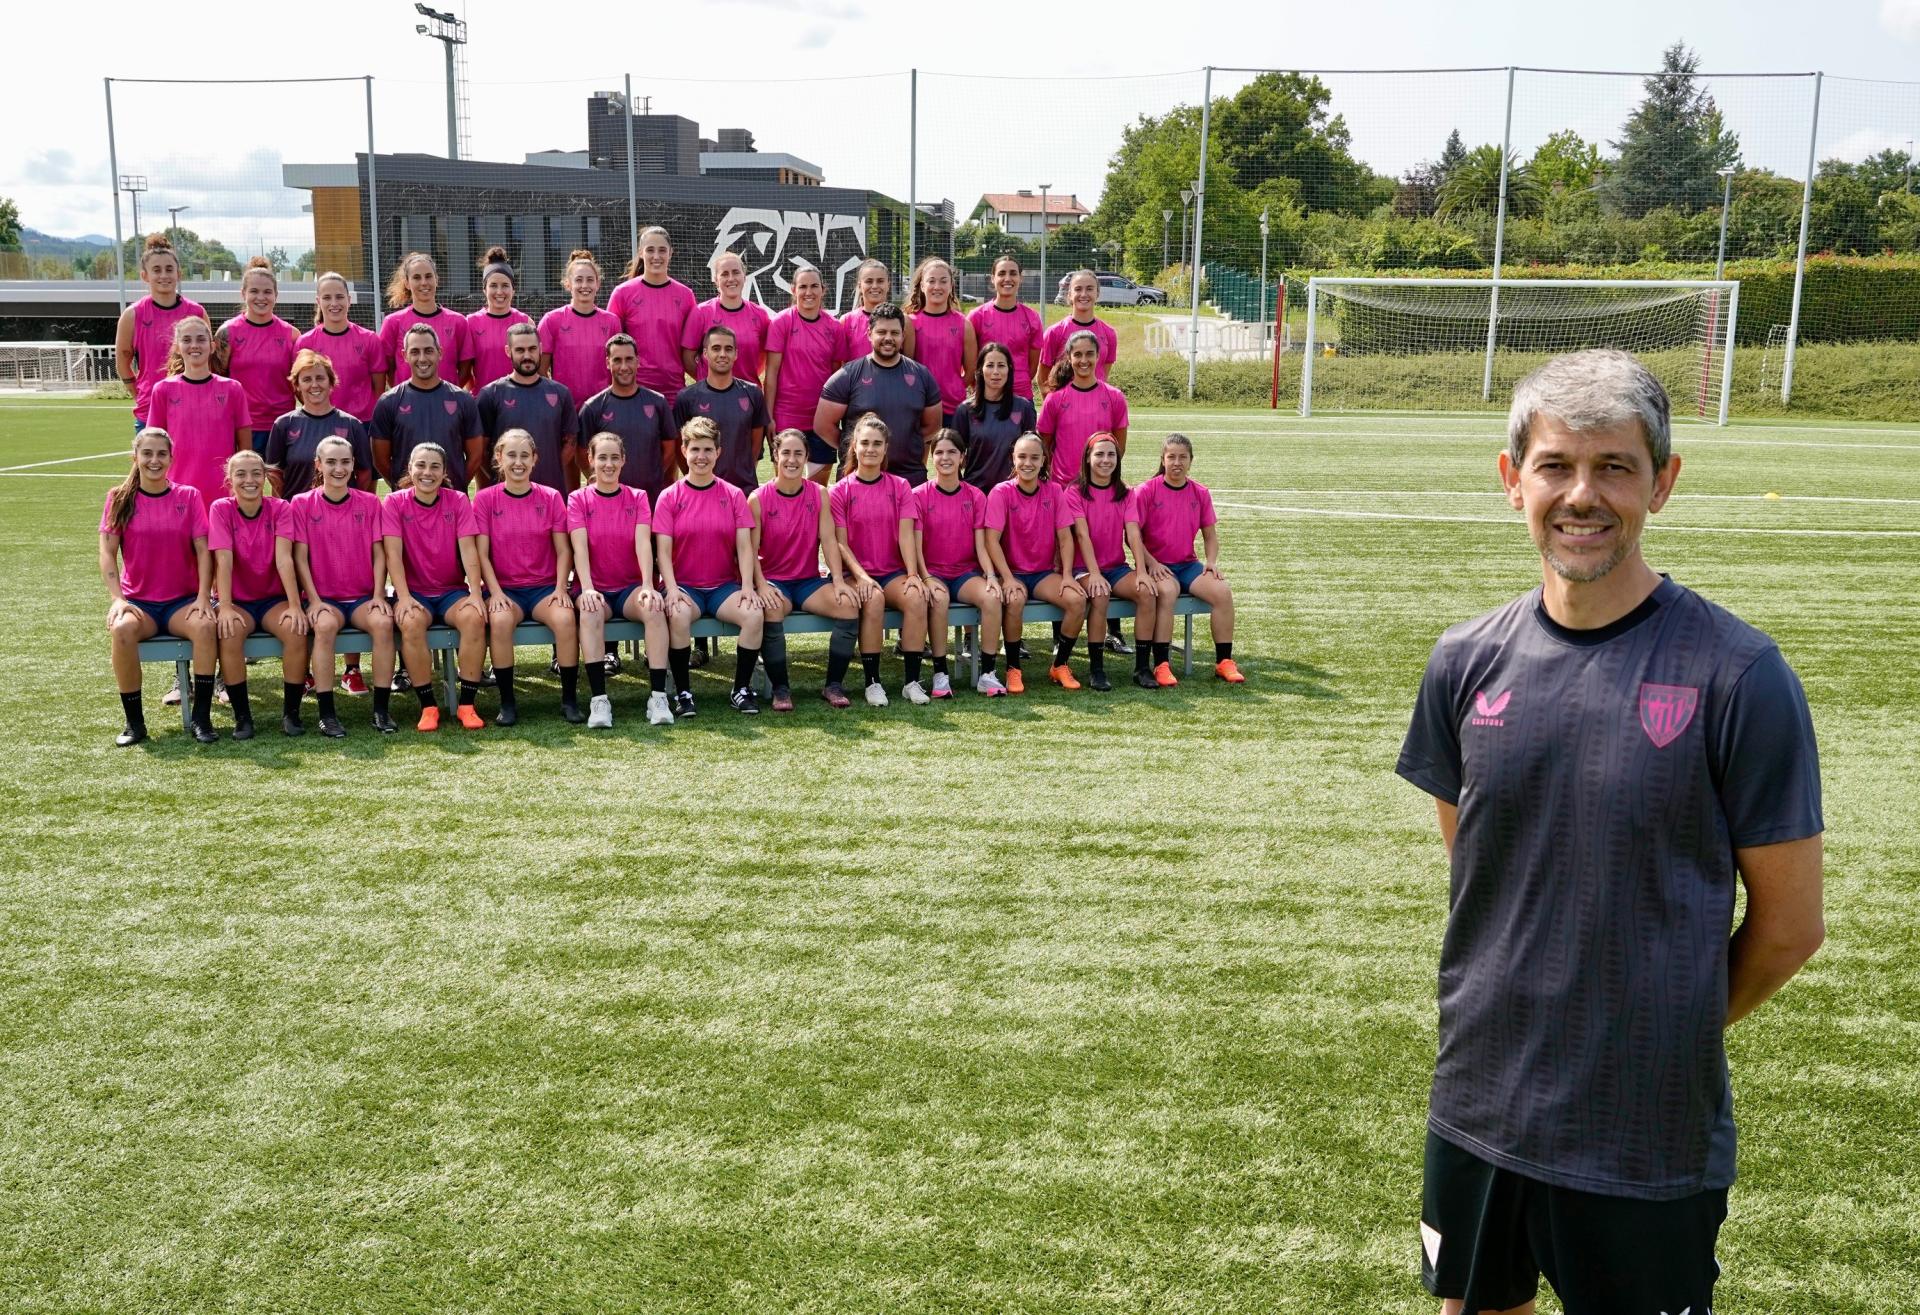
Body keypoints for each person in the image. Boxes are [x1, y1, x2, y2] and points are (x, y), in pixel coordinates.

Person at [1395, 349, 1825, 1315]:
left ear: (1662, 484)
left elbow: (1792, 926)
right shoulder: (1464, 662)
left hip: (1643, 1129)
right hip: (1478, 1103)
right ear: (1513, 481)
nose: (1581, 495)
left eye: (1615, 467)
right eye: (1555, 465)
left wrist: (1658, 1024)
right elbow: (1479, 869)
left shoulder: (1741, 676)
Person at [98, 428, 218, 745]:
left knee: (206, 627)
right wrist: (118, 600)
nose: (154, 460)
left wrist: (204, 597)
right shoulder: (119, 498)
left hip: (183, 602)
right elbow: (107, 554)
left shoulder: (188, 496)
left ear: (171, 458)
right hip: (141, 604)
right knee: (121, 629)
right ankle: (134, 725)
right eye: (147, 453)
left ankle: (202, 720)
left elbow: (205, 551)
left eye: (161, 454)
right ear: (135, 458)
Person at [281, 436, 398, 738]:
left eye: (345, 462)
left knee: (384, 623)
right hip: (324, 599)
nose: (338, 468)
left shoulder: (371, 502)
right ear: (318, 465)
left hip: (361, 598)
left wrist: (377, 594)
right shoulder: (302, 503)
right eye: (331, 462)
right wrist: (315, 600)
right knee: (324, 627)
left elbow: (379, 553)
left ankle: (381, 710)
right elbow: (300, 558)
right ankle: (327, 713)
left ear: (353, 465)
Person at [653, 417, 766, 716]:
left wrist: (746, 586)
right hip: (685, 586)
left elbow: (744, 546)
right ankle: (684, 692)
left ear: (718, 452)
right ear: (684, 451)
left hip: (723, 587)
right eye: (694, 449)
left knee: (754, 614)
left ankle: (740, 689)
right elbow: (662, 551)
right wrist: (673, 589)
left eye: (707, 449)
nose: (701, 456)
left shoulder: (732, 495)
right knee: (677, 615)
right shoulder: (669, 496)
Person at [749, 428, 868, 710]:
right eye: (786, 453)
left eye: (798, 453)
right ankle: (780, 689)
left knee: (848, 605)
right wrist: (761, 585)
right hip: (775, 581)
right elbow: (749, 551)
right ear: (776, 455)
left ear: (806, 458)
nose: (791, 460)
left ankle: (833, 686)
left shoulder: (819, 494)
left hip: (808, 581)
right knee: (772, 608)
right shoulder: (758, 498)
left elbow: (829, 540)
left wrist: (838, 580)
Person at [472, 429, 583, 726]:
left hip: (545, 588)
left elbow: (563, 550)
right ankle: (507, 703)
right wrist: (494, 593)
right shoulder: (484, 500)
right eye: (511, 455)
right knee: (500, 620)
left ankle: (569, 699)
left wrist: (561, 588)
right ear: (498, 458)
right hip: (505, 589)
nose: (518, 462)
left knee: (564, 618)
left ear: (534, 459)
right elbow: (481, 554)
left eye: (524, 456)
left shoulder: (550, 497)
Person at [568, 432, 675, 729]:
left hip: (630, 588)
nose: (608, 464)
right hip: (595, 587)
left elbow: (643, 543)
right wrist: (587, 587)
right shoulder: (577, 499)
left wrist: (647, 585)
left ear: (624, 460)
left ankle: (657, 697)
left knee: (653, 608)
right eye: (602, 457)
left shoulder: (638, 497)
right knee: (589, 611)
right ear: (590, 460)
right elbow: (579, 547)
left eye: (615, 457)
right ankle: (599, 701)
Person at [382, 443, 490, 732]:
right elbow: (392, 554)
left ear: (444, 473)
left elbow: (469, 551)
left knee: (474, 617)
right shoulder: (394, 502)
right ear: (410, 469)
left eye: (434, 467)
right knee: (411, 622)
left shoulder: (457, 500)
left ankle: (467, 704)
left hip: (451, 591)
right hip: (414, 593)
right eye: (421, 465)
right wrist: (403, 598)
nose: (427, 472)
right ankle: (428, 707)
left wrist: (476, 594)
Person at [828, 415, 931, 706]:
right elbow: (839, 543)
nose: (870, 449)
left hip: (891, 572)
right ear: (854, 448)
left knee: (916, 598)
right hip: (855, 574)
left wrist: (913, 574)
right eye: (865, 443)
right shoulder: (841, 490)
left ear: (886, 449)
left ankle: (911, 681)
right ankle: (873, 683)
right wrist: (861, 576)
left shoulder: (899, 487)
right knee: (872, 599)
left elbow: (906, 535)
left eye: (877, 444)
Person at [1127, 434, 1241, 684]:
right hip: (1157, 566)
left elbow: (1210, 535)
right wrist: (1151, 563)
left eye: (1182, 457)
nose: (1177, 462)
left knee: (1222, 591)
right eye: (1171, 457)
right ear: (1163, 460)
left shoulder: (1200, 492)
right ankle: (1162, 664)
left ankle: (1224, 661)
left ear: (1191, 461)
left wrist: (1211, 561)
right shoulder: (1146, 491)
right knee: (1167, 593)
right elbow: (1132, 537)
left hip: (1188, 565)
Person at [208, 449, 308, 738]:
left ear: (265, 477)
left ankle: (291, 714)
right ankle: (243, 717)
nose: (249, 480)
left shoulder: (280, 508)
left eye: (256, 473)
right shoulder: (220, 509)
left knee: (296, 630)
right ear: (229, 480)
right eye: (240, 474)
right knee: (229, 631)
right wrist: (224, 607)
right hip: (236, 601)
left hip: (273, 600)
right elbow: (223, 561)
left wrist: (293, 605)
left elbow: (284, 559)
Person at [985, 434, 1086, 693]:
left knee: (1076, 600)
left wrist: (1066, 575)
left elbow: (1065, 538)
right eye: (1022, 457)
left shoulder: (1053, 491)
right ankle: (1013, 668)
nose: (1027, 462)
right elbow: (992, 541)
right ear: (1013, 459)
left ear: (1044, 460)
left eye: (1034, 457)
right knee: (1015, 600)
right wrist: (1006, 578)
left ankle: (1060, 665)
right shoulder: (1001, 492)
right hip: (1013, 573)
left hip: (1042, 574)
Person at [914, 429, 1007, 697]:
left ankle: (987, 674)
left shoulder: (976, 496)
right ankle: (940, 675)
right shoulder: (919, 495)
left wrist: (990, 575)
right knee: (939, 600)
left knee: (992, 597)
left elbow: (981, 543)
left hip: (965, 574)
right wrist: (926, 577)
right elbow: (916, 546)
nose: (945, 457)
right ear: (932, 458)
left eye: (952, 452)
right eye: (939, 452)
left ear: (962, 457)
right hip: (933, 573)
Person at [1069, 434, 1160, 692]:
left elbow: (1133, 533)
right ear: (1088, 458)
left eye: (1111, 454)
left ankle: (1142, 667)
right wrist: (1095, 574)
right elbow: (1082, 534)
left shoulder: (1126, 493)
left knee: (1147, 592)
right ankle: (1097, 670)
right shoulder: (1074, 492)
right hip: (1084, 568)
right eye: (1099, 454)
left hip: (1116, 567)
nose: (1105, 460)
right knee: (1100, 595)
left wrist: (1141, 571)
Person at [814, 304, 942, 487]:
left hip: (909, 478)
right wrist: (856, 447)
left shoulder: (922, 376)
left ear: (903, 336)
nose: (888, 338)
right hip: (859, 478)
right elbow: (823, 425)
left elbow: (932, 426)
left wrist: (904, 445)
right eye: (881, 332)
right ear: (869, 334)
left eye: (894, 333)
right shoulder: (848, 376)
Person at [146, 316, 250, 506]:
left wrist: (239, 486)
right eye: (186, 340)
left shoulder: (232, 389)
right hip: (176, 492)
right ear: (177, 347)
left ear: (212, 347)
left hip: (222, 494)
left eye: (201, 339)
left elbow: (244, 447)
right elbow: (153, 445)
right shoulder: (163, 390)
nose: (194, 345)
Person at [369, 324, 485, 491]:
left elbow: (475, 456)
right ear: (405, 355)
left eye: (429, 351)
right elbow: (380, 461)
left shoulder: (463, 400)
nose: (422, 358)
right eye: (415, 352)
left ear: (440, 353)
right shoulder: (388, 402)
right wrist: (406, 489)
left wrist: (454, 486)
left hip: (451, 501)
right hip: (407, 504)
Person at [538, 249, 620, 481]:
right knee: (568, 475)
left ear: (598, 284)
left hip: (602, 410)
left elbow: (619, 364)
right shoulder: (552, 320)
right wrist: (557, 402)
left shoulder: (611, 322)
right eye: (578, 280)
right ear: (567, 284)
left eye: (590, 280)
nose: (584, 285)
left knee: (600, 472)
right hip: (566, 411)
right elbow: (541, 369)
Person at [115, 233, 208, 433]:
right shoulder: (133, 315)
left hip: (191, 407)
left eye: (169, 269)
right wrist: (139, 393)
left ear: (179, 273)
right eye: (156, 270)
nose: (164, 275)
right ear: (144, 276)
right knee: (152, 464)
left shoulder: (196, 312)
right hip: (150, 410)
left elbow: (210, 358)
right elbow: (122, 362)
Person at [761, 266, 843, 483]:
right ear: (793, 289)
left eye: (814, 286)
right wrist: (768, 417)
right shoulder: (781, 322)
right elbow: (771, 374)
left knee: (818, 487)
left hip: (822, 419)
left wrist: (835, 418)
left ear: (823, 290)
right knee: (786, 485)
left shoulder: (834, 327)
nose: (809, 292)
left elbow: (836, 376)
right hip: (787, 416)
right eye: (803, 286)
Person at [577, 334, 679, 504]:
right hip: (609, 501)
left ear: (638, 361)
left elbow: (669, 447)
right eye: (617, 360)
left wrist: (654, 475)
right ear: (608, 363)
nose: (624, 366)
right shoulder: (592, 407)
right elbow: (581, 453)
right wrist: (598, 478)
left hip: (649, 499)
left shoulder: (658, 403)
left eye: (629, 359)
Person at [477, 322, 579, 491]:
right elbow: (480, 450)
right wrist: (502, 474)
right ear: (508, 351)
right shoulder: (490, 394)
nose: (527, 355)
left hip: (550, 491)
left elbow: (570, 443)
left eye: (532, 349)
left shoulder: (561, 393)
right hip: (505, 493)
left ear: (540, 349)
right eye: (519, 350)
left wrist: (549, 469)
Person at [214, 257, 299, 454]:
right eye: (254, 291)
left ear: (276, 295)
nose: (261, 297)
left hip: (283, 424)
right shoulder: (227, 333)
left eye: (267, 292)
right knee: (246, 484)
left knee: (285, 484)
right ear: (243, 293)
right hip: (243, 425)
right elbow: (217, 380)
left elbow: (299, 384)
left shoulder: (292, 335)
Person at [265, 350, 374, 500]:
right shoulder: (284, 425)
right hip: (297, 514)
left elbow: (364, 472)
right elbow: (274, 473)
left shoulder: (352, 424)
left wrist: (347, 500)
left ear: (330, 382)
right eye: (307, 379)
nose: (314, 385)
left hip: (341, 514)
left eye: (320, 378)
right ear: (297, 384)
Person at [674, 325, 769, 494]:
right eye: (716, 348)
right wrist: (695, 475)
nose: (722, 354)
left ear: (736, 354)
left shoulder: (753, 393)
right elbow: (679, 446)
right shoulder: (687, 397)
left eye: (728, 349)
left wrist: (744, 470)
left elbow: (755, 443)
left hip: (744, 489)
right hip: (702, 490)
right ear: (705, 354)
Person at [608, 225, 696, 406]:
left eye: (662, 250)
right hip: (633, 391)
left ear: (671, 253)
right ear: (641, 253)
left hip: (673, 392)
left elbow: (692, 348)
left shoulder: (685, 296)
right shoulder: (622, 293)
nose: (656, 256)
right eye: (650, 250)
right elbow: (611, 346)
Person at [1038, 329, 1129, 486]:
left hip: (1100, 487)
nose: (1084, 360)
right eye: (1078, 354)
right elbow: (1044, 447)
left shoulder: (1115, 397)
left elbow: (1119, 447)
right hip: (1063, 488)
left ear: (1098, 356)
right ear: (1069, 357)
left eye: (1089, 354)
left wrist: (1102, 477)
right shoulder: (1055, 399)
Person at [295, 271, 387, 423]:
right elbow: (299, 388)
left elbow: (379, 389)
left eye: (339, 297)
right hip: (321, 421)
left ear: (349, 300)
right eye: (327, 298)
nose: (334, 303)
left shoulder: (369, 339)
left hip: (362, 423)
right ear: (318, 302)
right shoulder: (305, 343)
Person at [378, 251, 474, 390]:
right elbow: (388, 367)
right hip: (407, 405)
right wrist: (404, 392)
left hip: (446, 404)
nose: (424, 282)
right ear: (407, 283)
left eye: (428, 276)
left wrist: (448, 392)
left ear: (436, 279)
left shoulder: (458, 322)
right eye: (417, 278)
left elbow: (466, 368)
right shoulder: (393, 322)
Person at [954, 342, 1037, 492]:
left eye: (1001, 365)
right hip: (976, 493)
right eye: (990, 365)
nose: (996, 372)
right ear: (980, 370)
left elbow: (1032, 453)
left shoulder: (1024, 408)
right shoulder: (965, 410)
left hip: (1013, 495)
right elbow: (954, 457)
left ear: (1009, 369)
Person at [904, 256, 976, 425]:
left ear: (951, 286)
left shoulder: (963, 324)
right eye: (931, 281)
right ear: (922, 286)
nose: (937, 287)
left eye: (943, 281)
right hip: (919, 405)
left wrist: (954, 387)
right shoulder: (910, 322)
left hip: (953, 407)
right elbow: (907, 365)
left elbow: (971, 370)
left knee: (952, 451)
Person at [682, 250, 772, 386]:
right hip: (710, 398)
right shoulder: (701, 312)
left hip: (748, 397)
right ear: (716, 280)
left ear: (744, 277)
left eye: (736, 272)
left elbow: (764, 357)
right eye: (724, 274)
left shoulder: (760, 315)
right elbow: (687, 357)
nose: (731, 278)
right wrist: (709, 381)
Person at [967, 254, 1044, 399]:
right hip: (985, 397)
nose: (1007, 279)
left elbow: (1032, 366)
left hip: (1021, 396)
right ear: (992, 278)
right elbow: (969, 361)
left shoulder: (1032, 318)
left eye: (1013, 273)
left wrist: (1018, 382)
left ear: (1020, 278)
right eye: (1001, 273)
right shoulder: (977, 316)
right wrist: (980, 387)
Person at [1038, 269, 1118, 398]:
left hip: (1096, 408)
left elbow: (1103, 374)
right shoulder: (1054, 332)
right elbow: (1043, 380)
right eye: (1078, 289)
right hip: (1065, 411)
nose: (1084, 294)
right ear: (1069, 294)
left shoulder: (1109, 334)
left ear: (1097, 293)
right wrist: (1055, 408)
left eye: (1089, 289)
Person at [465, 245, 532, 394]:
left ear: (513, 289)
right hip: (483, 404)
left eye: (505, 286)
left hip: (519, 401)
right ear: (484, 289)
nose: (499, 292)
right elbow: (465, 370)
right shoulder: (470, 323)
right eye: (493, 286)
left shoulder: (525, 322)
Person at [838, 258, 896, 363]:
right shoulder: (847, 321)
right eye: (869, 281)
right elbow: (842, 365)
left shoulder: (901, 320)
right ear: (860, 286)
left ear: (888, 285)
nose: (874, 286)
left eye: (880, 281)